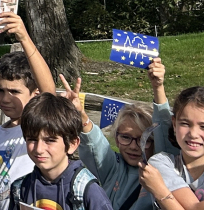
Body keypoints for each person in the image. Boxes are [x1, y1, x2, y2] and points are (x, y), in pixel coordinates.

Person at [70, 57, 170, 210]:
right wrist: (81, 115)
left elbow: (164, 127)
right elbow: (95, 146)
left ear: (157, 141)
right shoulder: (113, 167)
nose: (134, 146)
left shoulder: (165, 171)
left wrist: (158, 87)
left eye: (144, 140)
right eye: (125, 137)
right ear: (116, 138)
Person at [0, 13, 56, 210]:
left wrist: (23, 36)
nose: (5, 98)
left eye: (14, 91)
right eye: (0, 90)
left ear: (36, 93)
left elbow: (49, 91)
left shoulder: (39, 127)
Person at [8, 94, 113, 210]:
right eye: (32, 139)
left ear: (72, 144)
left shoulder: (87, 191)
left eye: (49, 140)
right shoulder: (20, 189)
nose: (39, 149)